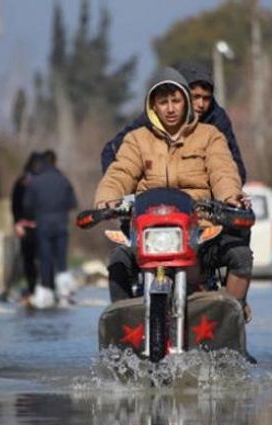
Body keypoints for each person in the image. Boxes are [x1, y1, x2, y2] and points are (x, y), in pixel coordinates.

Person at [94, 66, 253, 320]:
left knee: (241, 256)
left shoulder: (211, 135)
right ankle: (124, 334)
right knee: (117, 261)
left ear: (186, 102)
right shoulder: (136, 139)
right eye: (163, 101)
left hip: (199, 231)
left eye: (176, 100)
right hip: (147, 233)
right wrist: (107, 198)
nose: (170, 108)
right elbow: (120, 172)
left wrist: (230, 197)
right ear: (153, 106)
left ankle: (229, 323)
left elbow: (223, 171)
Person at [101, 60, 246, 183]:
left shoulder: (217, 120)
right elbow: (111, 151)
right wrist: (123, 197)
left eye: (206, 98)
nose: (201, 104)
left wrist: (225, 196)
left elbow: (235, 168)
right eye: (195, 97)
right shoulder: (153, 118)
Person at [23, 150, 78, 298]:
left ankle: (46, 289)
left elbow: (27, 205)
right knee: (61, 259)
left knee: (45, 257)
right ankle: (64, 292)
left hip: (43, 224)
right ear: (55, 161)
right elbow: (72, 204)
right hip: (61, 223)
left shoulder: (35, 181)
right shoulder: (63, 180)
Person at [11, 152, 44, 299]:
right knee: (30, 259)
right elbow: (15, 205)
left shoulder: (43, 181)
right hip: (27, 226)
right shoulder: (21, 182)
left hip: (40, 226)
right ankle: (33, 288)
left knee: (39, 259)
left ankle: (41, 288)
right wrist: (17, 223)